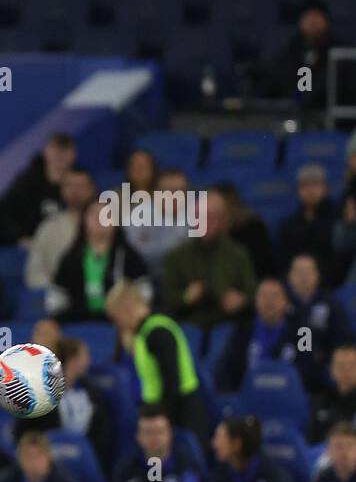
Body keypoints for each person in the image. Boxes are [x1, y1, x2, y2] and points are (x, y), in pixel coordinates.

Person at [106, 280, 207, 441]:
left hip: (180, 414)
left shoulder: (158, 332)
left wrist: (162, 423)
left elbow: (171, 382)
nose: (118, 325)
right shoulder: (142, 333)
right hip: (161, 412)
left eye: (117, 319)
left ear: (127, 309)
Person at [160, 189, 256, 330]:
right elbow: (166, 299)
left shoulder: (238, 255)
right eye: (198, 216)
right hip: (188, 325)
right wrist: (186, 297)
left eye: (210, 217)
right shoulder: (177, 256)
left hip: (229, 325)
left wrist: (241, 300)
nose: (204, 222)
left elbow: (253, 292)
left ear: (223, 220)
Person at [17, 337, 113, 466]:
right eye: (85, 355)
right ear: (73, 360)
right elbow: (26, 429)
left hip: (86, 457)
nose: (89, 360)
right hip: (48, 457)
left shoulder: (91, 391)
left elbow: (102, 427)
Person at [49, 199, 148, 322]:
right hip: (77, 324)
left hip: (120, 324)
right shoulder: (70, 259)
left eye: (106, 215)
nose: (100, 219)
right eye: (94, 214)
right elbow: (56, 300)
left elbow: (144, 296)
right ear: (84, 220)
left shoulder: (130, 257)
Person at [0, 131, 76, 248]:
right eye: (56, 150)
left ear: (73, 154)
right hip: (31, 246)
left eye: (65, 150)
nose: (60, 156)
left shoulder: (80, 183)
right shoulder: (27, 182)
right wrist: (22, 239)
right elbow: (3, 215)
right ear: (45, 151)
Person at [213, 278, 300, 392]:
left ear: (286, 302)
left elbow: (309, 372)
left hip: (289, 399)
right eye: (264, 296)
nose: (269, 301)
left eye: (275, 296)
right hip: (249, 400)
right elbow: (225, 372)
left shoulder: (302, 333)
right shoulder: (241, 332)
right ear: (255, 301)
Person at [287, 252, 352, 390]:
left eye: (308, 272)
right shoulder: (281, 305)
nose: (303, 277)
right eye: (298, 272)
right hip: (288, 370)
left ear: (317, 276)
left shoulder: (331, 305)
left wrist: (324, 357)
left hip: (321, 373)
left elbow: (344, 340)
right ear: (290, 276)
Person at [261, 0, 337, 110]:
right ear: (300, 22)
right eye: (307, 17)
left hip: (331, 119)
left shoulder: (338, 53)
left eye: (317, 16)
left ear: (326, 21)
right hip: (292, 117)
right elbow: (272, 88)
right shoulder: (288, 53)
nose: (312, 22)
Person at [24, 167, 94, 289]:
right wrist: (55, 292)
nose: (76, 191)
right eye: (70, 186)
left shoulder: (107, 225)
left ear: (91, 189)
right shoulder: (49, 227)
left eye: (81, 186)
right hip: (58, 297)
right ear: (62, 190)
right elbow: (34, 272)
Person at [124, 168, 192, 279]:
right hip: (145, 277)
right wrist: (172, 246)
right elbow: (134, 255)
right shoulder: (138, 214)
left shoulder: (193, 214)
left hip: (181, 279)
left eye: (181, 191)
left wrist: (152, 247)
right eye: (170, 191)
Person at [277, 163, 340, 283]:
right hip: (294, 289)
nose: (310, 190)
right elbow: (281, 262)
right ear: (298, 190)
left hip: (329, 286)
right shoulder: (288, 224)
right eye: (305, 186)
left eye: (315, 184)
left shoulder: (338, 221)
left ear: (326, 189)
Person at [308, 343, 356, 443]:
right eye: (340, 365)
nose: (346, 370)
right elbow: (312, 440)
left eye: (352, 365)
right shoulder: (320, 400)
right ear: (331, 370)